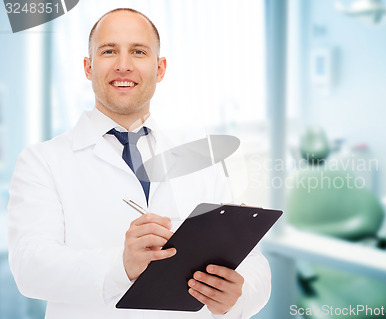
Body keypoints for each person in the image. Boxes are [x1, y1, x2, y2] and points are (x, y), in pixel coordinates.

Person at [7, 8, 271, 319]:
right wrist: (121, 265)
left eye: (138, 51)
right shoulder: (42, 162)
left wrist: (238, 295)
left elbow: (251, 260)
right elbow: (30, 268)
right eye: (109, 51)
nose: (123, 65)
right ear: (88, 66)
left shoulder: (198, 158)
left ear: (160, 69)